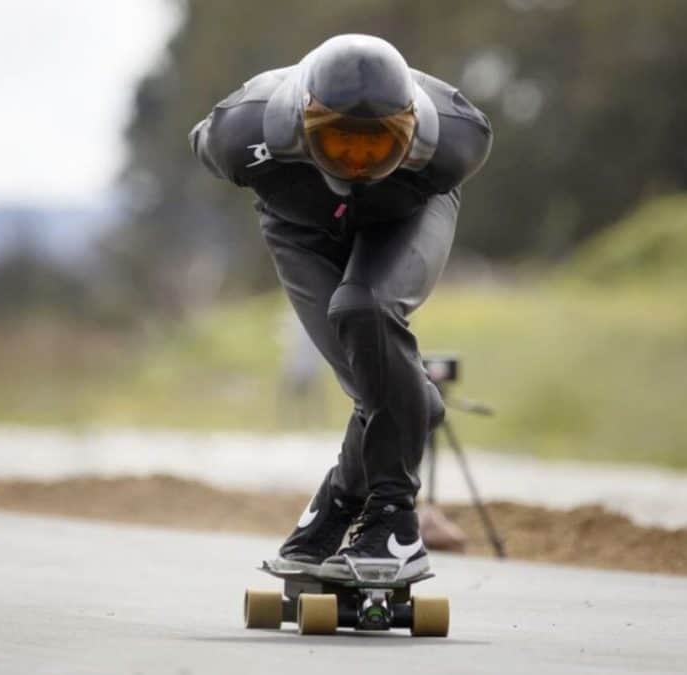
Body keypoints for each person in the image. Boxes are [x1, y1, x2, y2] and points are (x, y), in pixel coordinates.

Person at [189, 34, 492, 580]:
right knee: (374, 382)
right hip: (298, 231)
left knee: (365, 309)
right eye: (340, 143)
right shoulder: (241, 134)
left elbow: (418, 185)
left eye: (377, 146)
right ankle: (337, 504)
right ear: (302, 128)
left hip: (405, 217)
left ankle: (395, 524)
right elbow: (200, 140)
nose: (356, 162)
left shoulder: (455, 139)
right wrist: (410, 401)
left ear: (412, 131)